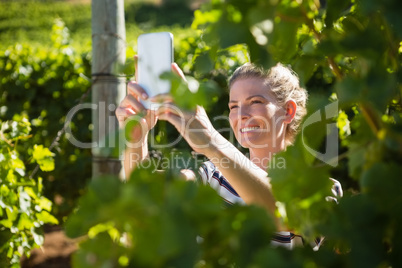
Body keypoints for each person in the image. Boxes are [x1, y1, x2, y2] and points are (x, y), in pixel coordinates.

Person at [115, 61, 342, 249]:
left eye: (255, 102)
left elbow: (285, 214)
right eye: (233, 106)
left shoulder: (322, 190)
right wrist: (135, 139)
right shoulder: (211, 176)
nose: (241, 115)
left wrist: (211, 141)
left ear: (288, 111)